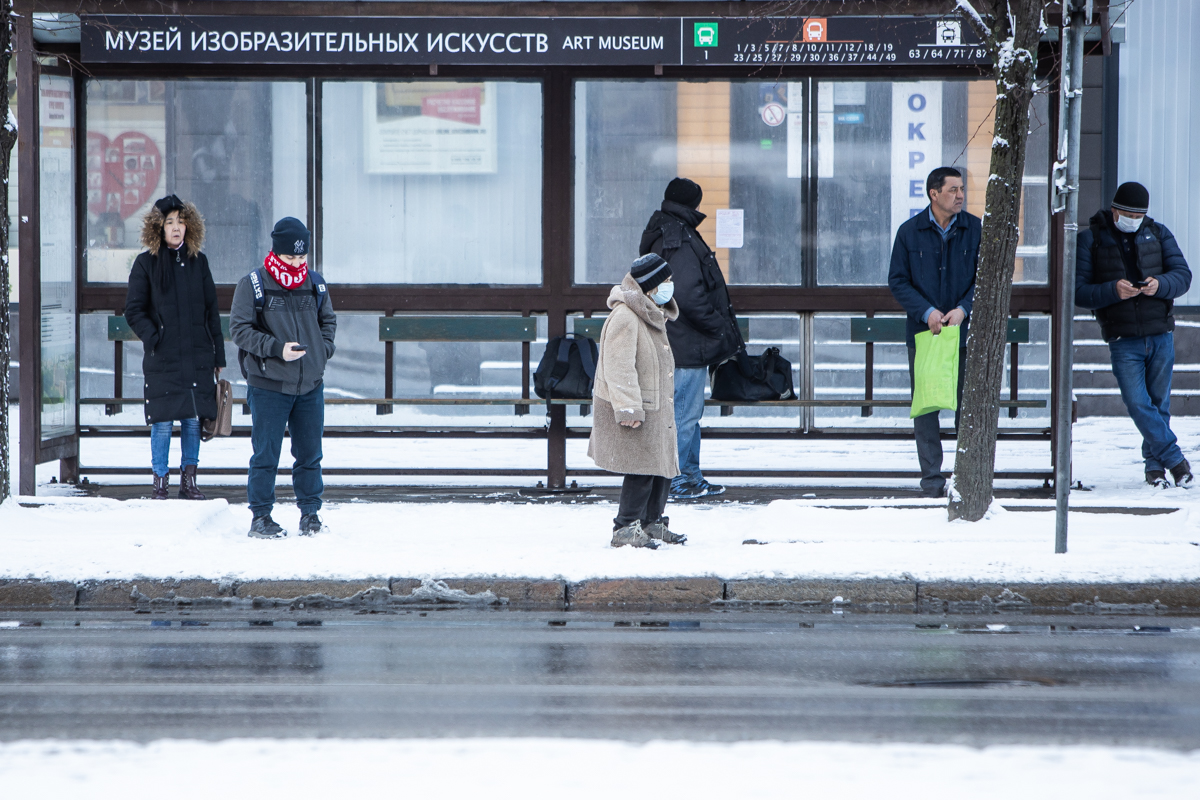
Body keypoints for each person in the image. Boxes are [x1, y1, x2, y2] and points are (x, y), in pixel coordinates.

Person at [1075, 182, 1193, 489]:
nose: (1132, 219)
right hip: (1122, 337)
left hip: (1160, 333)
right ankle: (1176, 460)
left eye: (1138, 215)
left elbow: (1183, 276)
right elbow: (1079, 291)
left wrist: (1159, 285)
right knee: (1139, 403)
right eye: (1127, 213)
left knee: (1158, 404)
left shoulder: (1158, 233)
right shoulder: (1091, 240)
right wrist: (1113, 290)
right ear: (1114, 211)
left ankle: (1155, 469)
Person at [229, 218, 337, 539]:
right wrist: (277, 349)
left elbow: (328, 321)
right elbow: (239, 330)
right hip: (269, 386)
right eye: (291, 258)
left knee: (309, 454)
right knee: (266, 454)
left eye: (302, 258)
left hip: (310, 386)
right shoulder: (253, 285)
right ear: (277, 252)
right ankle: (261, 517)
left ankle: (310, 514)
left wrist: (322, 351)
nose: (297, 264)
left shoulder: (314, 284)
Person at [639, 177, 741, 500]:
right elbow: (686, 295)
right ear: (690, 204)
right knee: (683, 415)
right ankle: (680, 479)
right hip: (685, 343)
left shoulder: (670, 231)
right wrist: (716, 326)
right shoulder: (677, 237)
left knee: (687, 415)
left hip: (681, 341)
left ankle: (690, 475)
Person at [887, 166, 981, 498]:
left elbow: (984, 278)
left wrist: (963, 308)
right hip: (925, 333)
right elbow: (897, 280)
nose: (960, 195)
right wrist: (927, 312)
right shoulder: (909, 232)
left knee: (965, 405)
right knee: (927, 406)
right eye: (953, 190)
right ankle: (932, 479)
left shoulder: (974, 229)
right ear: (934, 194)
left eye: (961, 190)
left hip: (964, 332)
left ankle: (966, 477)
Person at [124, 194, 224, 501]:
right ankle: (160, 482)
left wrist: (218, 355)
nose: (176, 227)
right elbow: (134, 309)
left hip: (197, 355)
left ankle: (189, 480)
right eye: (169, 222)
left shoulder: (199, 262)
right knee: (163, 420)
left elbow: (211, 310)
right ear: (159, 227)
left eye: (181, 221)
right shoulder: (145, 263)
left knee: (193, 418)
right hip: (163, 357)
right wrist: (154, 337)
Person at [589, 253, 688, 549]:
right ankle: (625, 527)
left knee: (661, 466)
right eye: (665, 281)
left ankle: (651, 522)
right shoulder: (626, 316)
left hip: (655, 405)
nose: (670, 286)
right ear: (650, 285)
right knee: (642, 468)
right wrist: (627, 407)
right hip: (638, 406)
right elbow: (617, 366)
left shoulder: (649, 312)